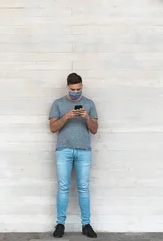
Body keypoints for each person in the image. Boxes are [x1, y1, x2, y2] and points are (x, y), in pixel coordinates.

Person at [48, 73, 98, 238]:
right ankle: (60, 224)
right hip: (64, 150)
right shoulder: (58, 103)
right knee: (63, 187)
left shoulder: (89, 104)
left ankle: (86, 224)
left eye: (79, 89)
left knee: (83, 188)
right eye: (73, 89)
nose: (76, 92)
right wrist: (66, 116)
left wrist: (87, 117)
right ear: (67, 87)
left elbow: (94, 129)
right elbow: (53, 128)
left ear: (82, 86)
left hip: (84, 150)